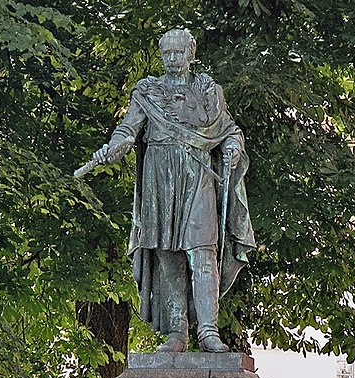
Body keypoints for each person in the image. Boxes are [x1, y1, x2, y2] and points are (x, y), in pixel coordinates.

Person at [90, 28, 255, 352]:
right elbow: (128, 129)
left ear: (191, 53)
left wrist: (233, 148)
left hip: (198, 177)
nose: (173, 59)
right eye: (167, 54)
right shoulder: (147, 92)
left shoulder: (208, 91)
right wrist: (116, 145)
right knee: (168, 255)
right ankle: (177, 332)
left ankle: (208, 331)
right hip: (159, 177)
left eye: (179, 53)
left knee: (203, 252)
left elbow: (230, 131)